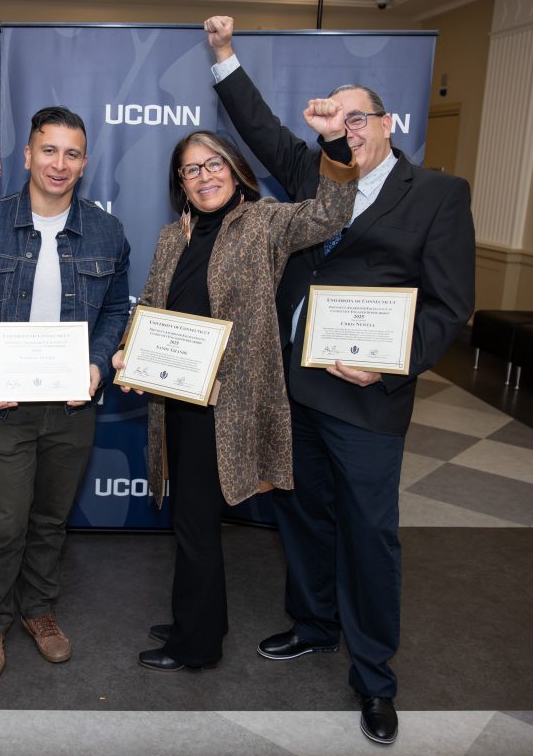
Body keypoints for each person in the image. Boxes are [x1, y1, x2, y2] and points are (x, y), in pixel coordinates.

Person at [204, 16, 476, 744]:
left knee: (369, 534)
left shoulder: (439, 195)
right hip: (295, 388)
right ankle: (315, 623)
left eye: (360, 117)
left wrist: (393, 359)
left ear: (388, 124)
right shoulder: (313, 173)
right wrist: (224, 55)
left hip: (366, 396)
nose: (348, 130)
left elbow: (450, 306)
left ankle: (375, 676)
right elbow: (257, 127)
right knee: (302, 516)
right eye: (336, 118)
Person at [113, 121, 357, 673]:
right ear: (181, 182)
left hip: (227, 402)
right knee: (188, 519)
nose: (204, 177)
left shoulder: (265, 222)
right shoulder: (172, 235)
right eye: (191, 170)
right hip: (173, 393)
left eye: (214, 164)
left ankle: (196, 645)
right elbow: (151, 306)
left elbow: (331, 213)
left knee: (197, 524)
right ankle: (196, 618)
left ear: (235, 169)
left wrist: (336, 150)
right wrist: (131, 352)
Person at [0, 106, 130, 678]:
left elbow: (112, 316)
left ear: (84, 163)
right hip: (4, 402)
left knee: (52, 518)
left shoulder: (108, 232)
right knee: (6, 523)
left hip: (73, 403)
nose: (60, 163)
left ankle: (39, 610)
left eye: (72, 153)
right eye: (48, 150)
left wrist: (99, 366)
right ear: (27, 156)